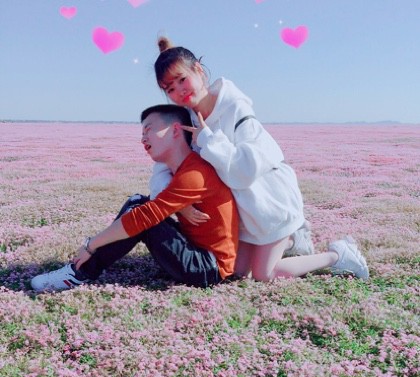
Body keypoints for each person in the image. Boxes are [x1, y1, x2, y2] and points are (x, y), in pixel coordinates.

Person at [148, 37, 369, 281]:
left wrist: (208, 139)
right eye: (170, 88)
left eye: (182, 79)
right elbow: (163, 166)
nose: (179, 91)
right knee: (236, 272)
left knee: (265, 274)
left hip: (270, 203)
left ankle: (338, 255)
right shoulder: (183, 119)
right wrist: (177, 203)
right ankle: (293, 241)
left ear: (198, 70)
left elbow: (244, 171)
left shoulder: (236, 109)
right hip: (244, 215)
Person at [31, 104, 239, 292]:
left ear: (175, 130)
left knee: (142, 216)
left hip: (208, 268)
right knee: (137, 202)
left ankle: (79, 273)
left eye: (149, 130)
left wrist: (90, 245)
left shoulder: (194, 173)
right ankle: (83, 268)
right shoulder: (183, 169)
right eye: (142, 133)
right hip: (198, 253)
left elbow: (143, 218)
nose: (143, 139)